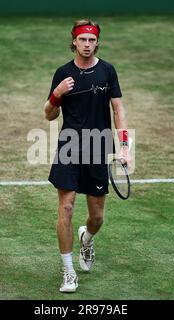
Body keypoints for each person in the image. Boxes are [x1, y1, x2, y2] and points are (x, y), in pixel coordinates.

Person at [43, 19, 129, 293]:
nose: (87, 45)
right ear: (74, 42)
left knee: (97, 218)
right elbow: (48, 113)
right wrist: (56, 95)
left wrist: (124, 146)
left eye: (92, 41)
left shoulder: (107, 71)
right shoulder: (62, 73)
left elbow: (118, 110)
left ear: (97, 43)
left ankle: (87, 238)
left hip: (98, 146)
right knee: (66, 208)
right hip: (69, 145)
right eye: (83, 40)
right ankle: (69, 273)